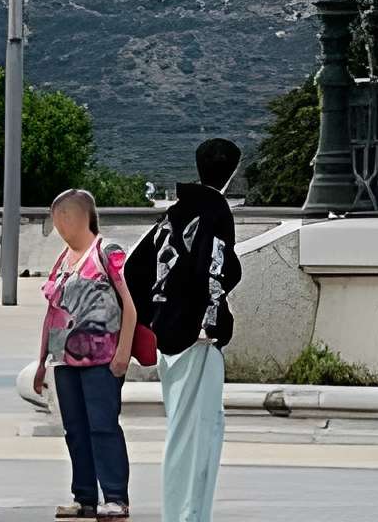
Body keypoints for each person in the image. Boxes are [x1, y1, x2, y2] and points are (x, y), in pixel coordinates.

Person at [129, 139, 244, 522]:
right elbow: (215, 266)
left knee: (181, 432)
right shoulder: (215, 209)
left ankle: (182, 514)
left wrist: (156, 315)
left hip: (169, 336)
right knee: (199, 437)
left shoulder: (174, 213)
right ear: (231, 172)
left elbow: (135, 269)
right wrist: (208, 324)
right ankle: (188, 516)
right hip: (196, 339)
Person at [29, 189, 135, 518]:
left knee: (102, 425)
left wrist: (123, 352)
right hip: (65, 359)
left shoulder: (107, 252)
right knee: (75, 429)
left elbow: (130, 307)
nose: (60, 225)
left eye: (65, 217)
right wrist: (42, 361)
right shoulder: (63, 260)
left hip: (102, 358)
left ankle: (115, 495)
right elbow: (52, 312)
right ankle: (84, 496)